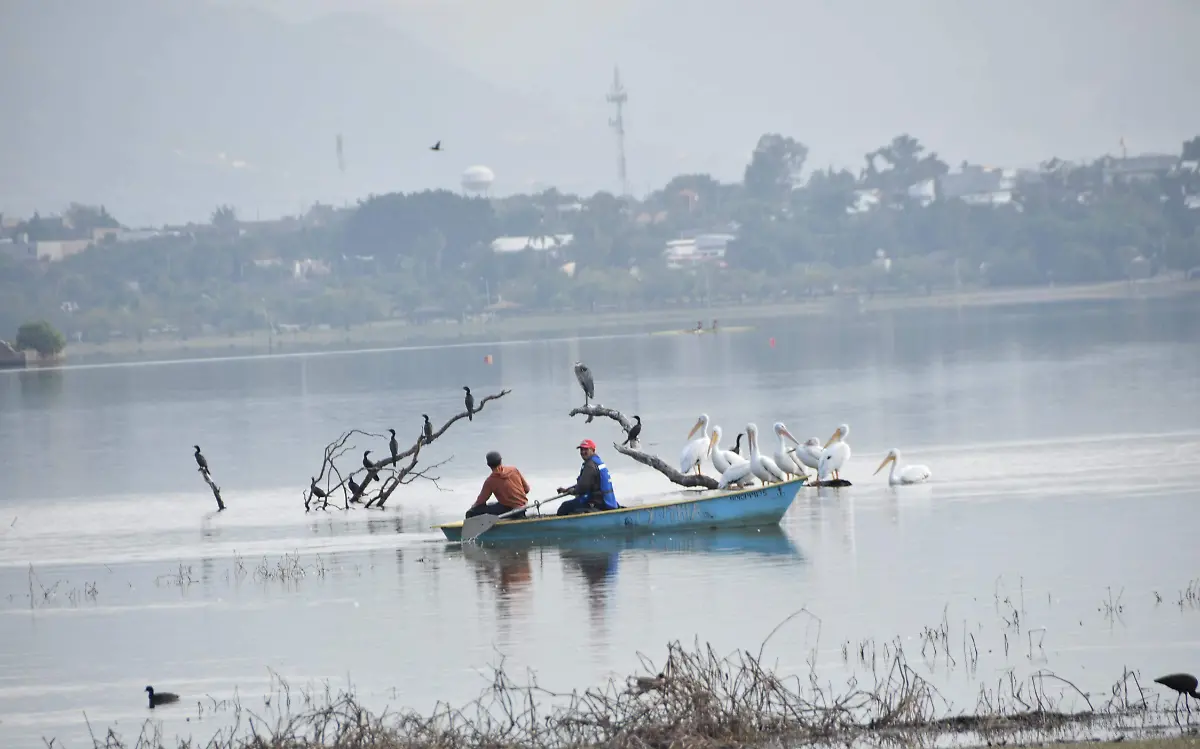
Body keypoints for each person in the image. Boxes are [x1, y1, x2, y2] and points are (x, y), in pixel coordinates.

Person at [556, 439, 620, 516]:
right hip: (606, 502)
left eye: (586, 449)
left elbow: (583, 487)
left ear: (593, 450)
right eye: (581, 449)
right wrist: (567, 490)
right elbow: (585, 483)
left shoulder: (590, 465)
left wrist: (573, 491)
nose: (583, 452)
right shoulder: (597, 462)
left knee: (564, 507)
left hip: (597, 503)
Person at [467, 451, 531, 519]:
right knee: (491, 504)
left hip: (510, 510)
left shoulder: (490, 481)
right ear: (501, 461)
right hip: (523, 506)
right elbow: (527, 489)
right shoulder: (514, 470)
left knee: (473, 511)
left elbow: (481, 501)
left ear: (488, 465)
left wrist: (473, 507)